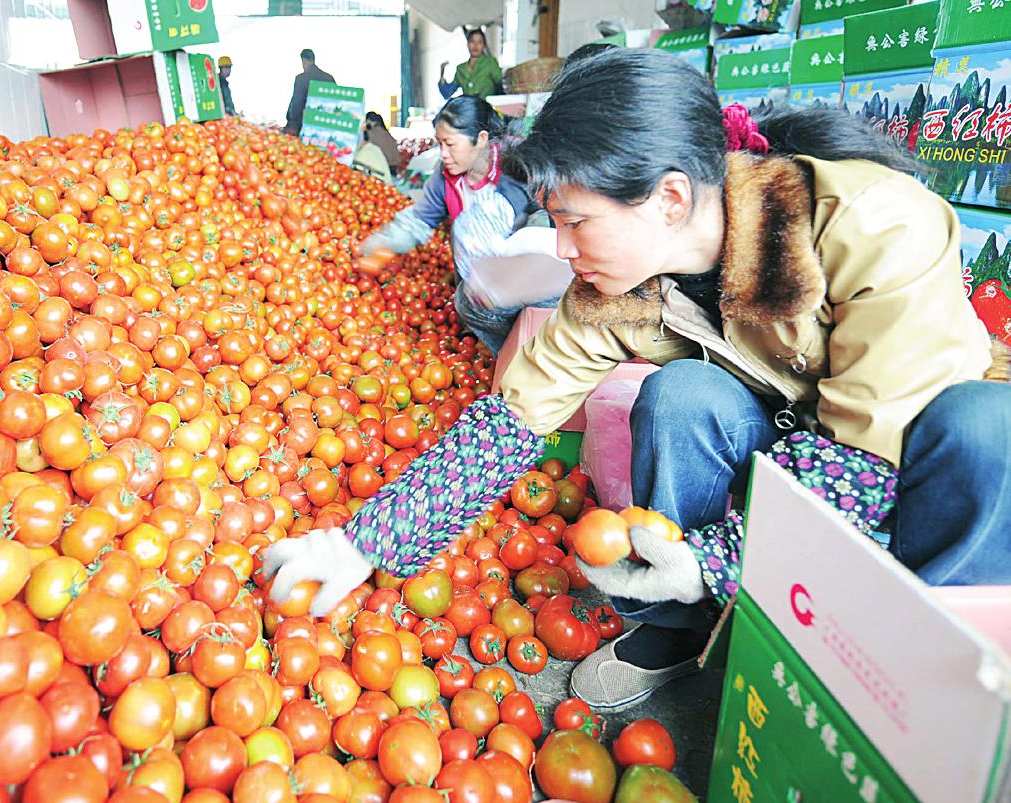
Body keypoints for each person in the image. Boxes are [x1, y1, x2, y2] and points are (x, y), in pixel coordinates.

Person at [262, 48, 1011, 712]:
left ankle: (915, 685)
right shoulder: (616, 286)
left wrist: (717, 555)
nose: (559, 246)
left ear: (671, 199)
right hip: (793, 447)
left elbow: (863, 457)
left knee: (984, 430)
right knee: (681, 398)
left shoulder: (876, 224)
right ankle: (680, 629)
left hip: (907, 465)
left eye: (574, 222)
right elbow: (513, 417)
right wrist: (365, 542)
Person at [359, 95, 558, 354]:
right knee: (489, 338)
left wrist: (520, 257)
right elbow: (418, 220)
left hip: (525, 287)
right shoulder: (445, 179)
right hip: (478, 296)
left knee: (531, 344)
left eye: (450, 144)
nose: (443, 154)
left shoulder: (517, 167)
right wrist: (381, 242)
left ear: (482, 139)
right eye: (439, 143)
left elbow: (548, 217)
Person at [438, 28, 503, 100]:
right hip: (469, 108)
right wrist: (442, 72)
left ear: (484, 45)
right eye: (472, 41)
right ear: (467, 44)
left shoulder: (490, 63)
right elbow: (447, 93)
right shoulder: (461, 68)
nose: (475, 46)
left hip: (487, 108)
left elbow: (501, 86)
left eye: (479, 42)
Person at [284, 48, 336, 136]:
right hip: (325, 125)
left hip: (305, 124)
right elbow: (335, 101)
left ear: (304, 61)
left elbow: (297, 102)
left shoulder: (301, 79)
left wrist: (291, 121)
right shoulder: (329, 78)